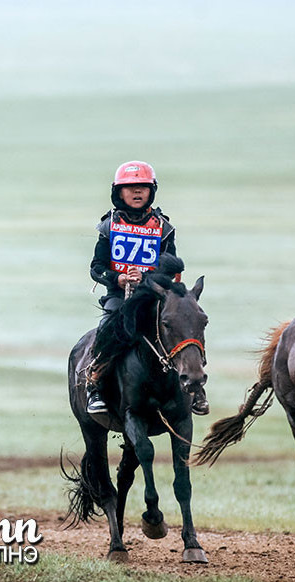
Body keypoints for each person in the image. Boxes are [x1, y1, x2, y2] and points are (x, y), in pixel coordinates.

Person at [86, 160, 209, 416]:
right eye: (130, 188)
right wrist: (117, 279)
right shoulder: (108, 225)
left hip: (155, 297)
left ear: (151, 190)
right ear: (118, 193)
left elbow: (172, 266)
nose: (137, 192)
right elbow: (96, 267)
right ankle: (95, 385)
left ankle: (196, 389)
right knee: (107, 326)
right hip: (120, 295)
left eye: (142, 186)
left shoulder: (163, 227)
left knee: (185, 325)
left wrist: (146, 276)